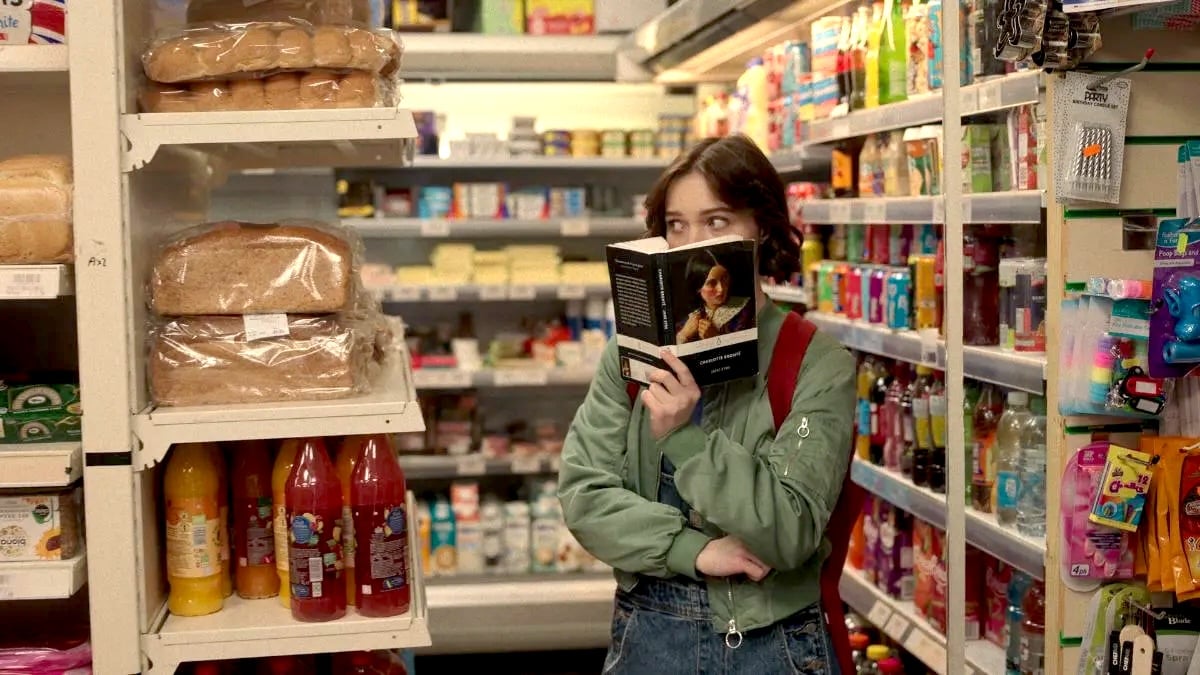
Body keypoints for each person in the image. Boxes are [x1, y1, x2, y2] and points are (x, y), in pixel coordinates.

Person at [557, 134, 856, 674]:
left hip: (776, 644)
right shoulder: (628, 358)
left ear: (760, 227)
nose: (693, 242)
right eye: (676, 225)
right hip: (651, 637)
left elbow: (789, 532)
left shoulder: (816, 362)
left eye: (716, 222)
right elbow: (583, 495)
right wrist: (690, 549)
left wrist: (684, 438)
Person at [675, 251, 754, 344]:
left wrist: (717, 338)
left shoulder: (748, 310)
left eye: (724, 278)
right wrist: (683, 335)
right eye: (712, 283)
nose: (721, 289)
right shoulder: (687, 321)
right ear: (698, 287)